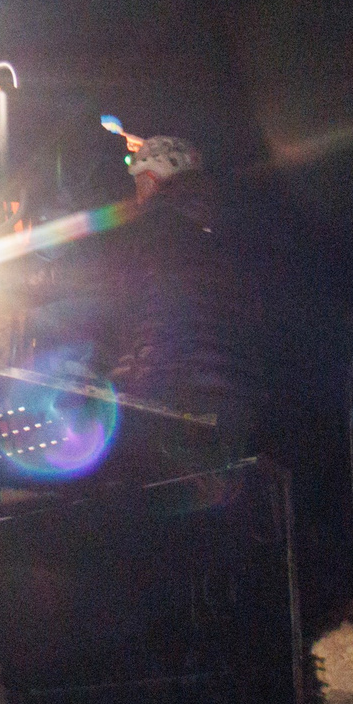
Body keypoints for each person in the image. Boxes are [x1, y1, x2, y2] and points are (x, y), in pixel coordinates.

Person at [101, 133, 263, 472]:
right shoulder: (220, 232)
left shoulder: (153, 227)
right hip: (233, 397)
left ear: (153, 178)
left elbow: (115, 299)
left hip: (171, 394)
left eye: (139, 182)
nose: (137, 194)